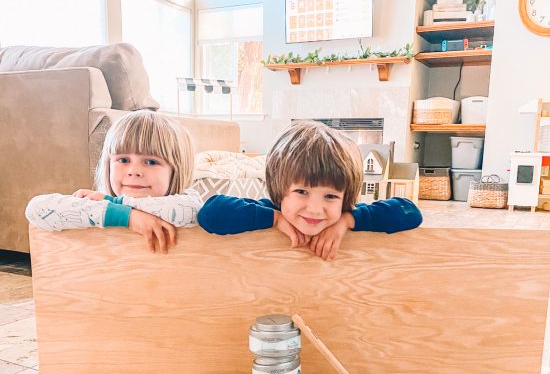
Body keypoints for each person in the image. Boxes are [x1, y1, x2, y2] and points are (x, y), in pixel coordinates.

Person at [198, 120, 422, 261]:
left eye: (331, 196)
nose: (315, 209)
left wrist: (346, 221)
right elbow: (211, 213)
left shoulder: (344, 214)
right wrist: (275, 219)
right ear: (280, 190)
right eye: (302, 192)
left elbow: (410, 212)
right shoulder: (272, 209)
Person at [25, 110, 201, 253]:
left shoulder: (187, 201)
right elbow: (36, 209)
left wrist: (113, 203)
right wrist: (127, 216)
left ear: (176, 170)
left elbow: (190, 212)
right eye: (123, 160)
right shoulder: (99, 203)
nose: (134, 171)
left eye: (151, 162)